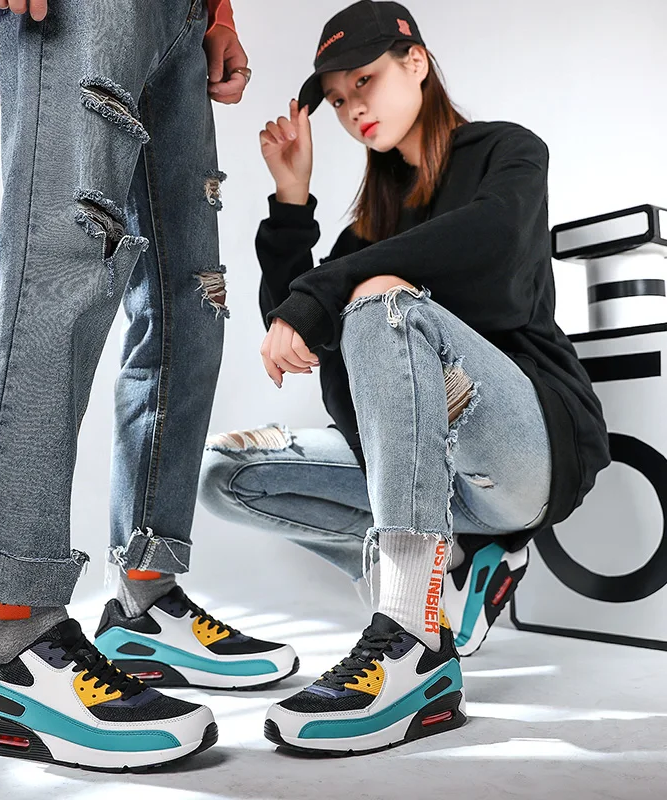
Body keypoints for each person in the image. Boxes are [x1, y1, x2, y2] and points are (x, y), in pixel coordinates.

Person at [199, 0, 610, 755]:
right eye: (338, 97)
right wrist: (291, 199)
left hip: (522, 453)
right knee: (224, 474)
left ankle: (413, 638)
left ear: (415, 62)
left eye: (365, 80)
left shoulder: (509, 154)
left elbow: (495, 261)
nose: (353, 108)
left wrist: (336, 293)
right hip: (425, 476)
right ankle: (449, 571)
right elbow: (301, 333)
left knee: (381, 299)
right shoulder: (372, 227)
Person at [0, 0, 297, 772]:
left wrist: (217, 13)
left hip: (184, 19)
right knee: (59, 275)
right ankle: (22, 652)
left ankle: (145, 608)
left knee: (190, 306)